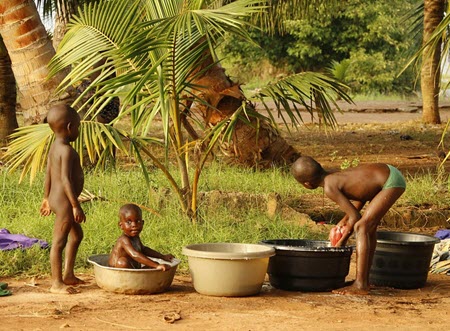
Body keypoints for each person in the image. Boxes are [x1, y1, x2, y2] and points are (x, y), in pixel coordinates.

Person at [291, 156, 406, 295]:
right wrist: (345, 220)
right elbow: (361, 195)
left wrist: (341, 242)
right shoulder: (335, 175)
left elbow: (355, 217)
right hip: (388, 173)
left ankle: (360, 284)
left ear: (307, 184)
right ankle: (364, 280)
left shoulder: (329, 187)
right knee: (369, 228)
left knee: (361, 227)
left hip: (390, 181)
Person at [40, 104, 86, 294]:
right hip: (66, 202)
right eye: (77, 126)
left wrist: (45, 198)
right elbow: (66, 180)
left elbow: (48, 174)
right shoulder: (67, 151)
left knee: (77, 236)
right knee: (59, 242)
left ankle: (68, 274)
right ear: (69, 127)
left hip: (56, 198)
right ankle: (56, 283)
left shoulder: (54, 147)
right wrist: (76, 206)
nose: (78, 130)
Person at [109, 204, 174, 270]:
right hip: (115, 273)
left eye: (138, 221)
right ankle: (135, 277)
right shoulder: (123, 239)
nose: (134, 225)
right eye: (129, 222)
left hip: (133, 270)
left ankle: (139, 276)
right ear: (121, 225)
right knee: (122, 262)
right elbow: (135, 254)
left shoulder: (136, 238)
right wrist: (156, 265)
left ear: (143, 223)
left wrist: (162, 257)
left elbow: (144, 250)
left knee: (153, 264)